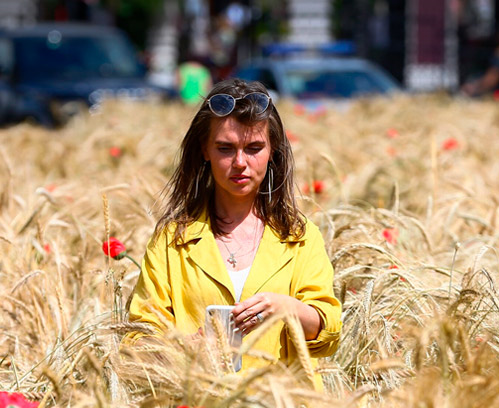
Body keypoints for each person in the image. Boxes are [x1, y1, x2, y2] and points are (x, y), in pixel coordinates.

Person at [126, 78, 341, 389]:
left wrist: (287, 308)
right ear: (204, 150)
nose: (240, 163)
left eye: (254, 148)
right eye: (225, 148)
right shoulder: (172, 240)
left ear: (273, 151)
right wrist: (187, 349)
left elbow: (329, 332)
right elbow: (137, 340)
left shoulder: (300, 236)